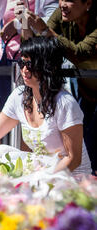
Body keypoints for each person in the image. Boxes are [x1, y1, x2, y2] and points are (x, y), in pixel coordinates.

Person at [0, 36, 92, 177]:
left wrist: (38, 179)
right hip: (41, 169)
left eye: (30, 64)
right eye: (22, 63)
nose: (24, 70)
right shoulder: (20, 96)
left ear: (49, 66)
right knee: (0, 152)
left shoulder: (65, 103)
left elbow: (73, 159)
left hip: (69, 176)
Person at [13, 0, 96, 174]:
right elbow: (39, 51)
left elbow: (80, 54)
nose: (63, 4)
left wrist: (44, 30)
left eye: (70, 0)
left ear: (88, 3)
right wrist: (26, 23)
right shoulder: (62, 12)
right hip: (83, 89)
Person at [0, 0, 58, 156]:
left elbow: (42, 37)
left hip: (27, 72)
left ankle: (25, 178)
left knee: (26, 132)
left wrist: (20, 22)